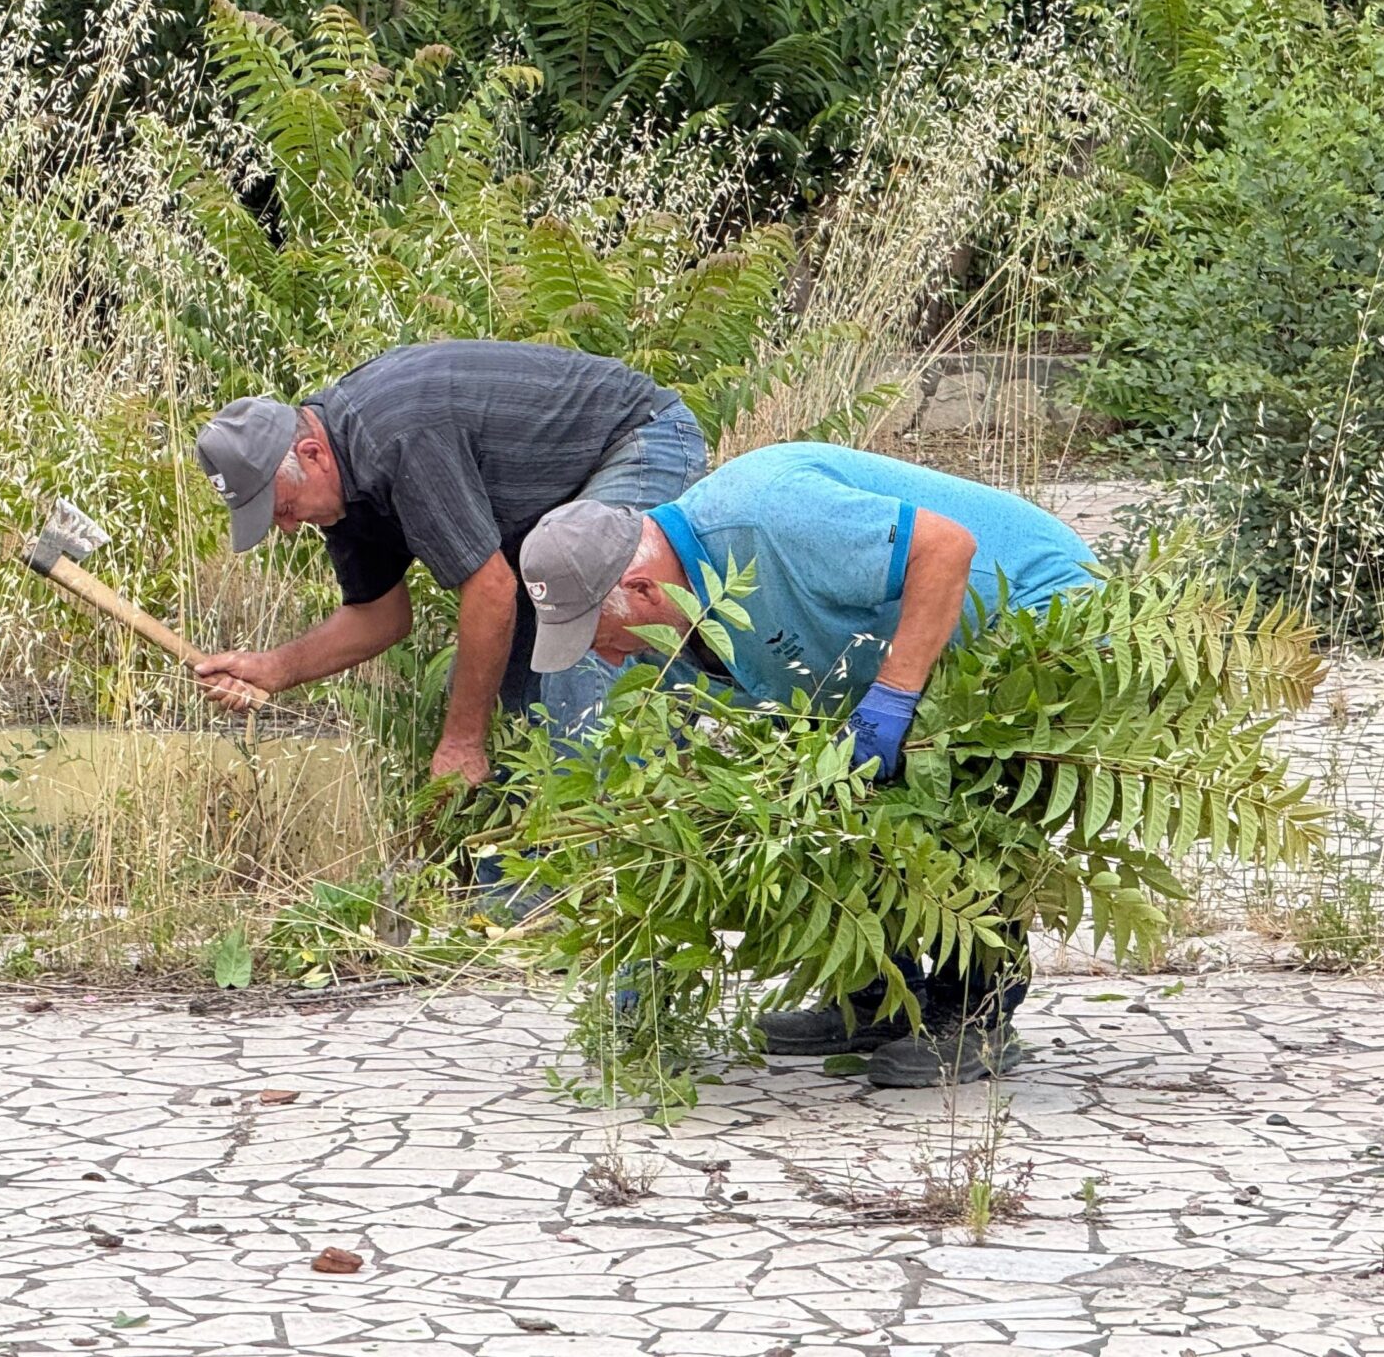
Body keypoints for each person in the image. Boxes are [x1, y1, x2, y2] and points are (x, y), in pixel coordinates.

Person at [516, 442, 1099, 1089]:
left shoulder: (766, 515)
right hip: (912, 646)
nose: (617, 659)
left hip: (1038, 615)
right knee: (820, 798)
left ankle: (976, 1013)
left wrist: (892, 702)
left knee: (973, 800)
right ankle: (879, 997)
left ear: (642, 589)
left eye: (603, 636)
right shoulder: (667, 621)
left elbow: (947, 548)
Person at [188, 341, 708, 806]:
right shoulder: (341, 493)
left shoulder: (396, 434)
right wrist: (276, 668)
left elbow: (491, 587)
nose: (287, 527)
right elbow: (380, 616)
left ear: (312, 454)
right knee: (508, 697)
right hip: (539, 524)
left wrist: (462, 740)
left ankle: (604, 866)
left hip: (640, 438)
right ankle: (517, 896)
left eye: (281, 507)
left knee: (583, 648)